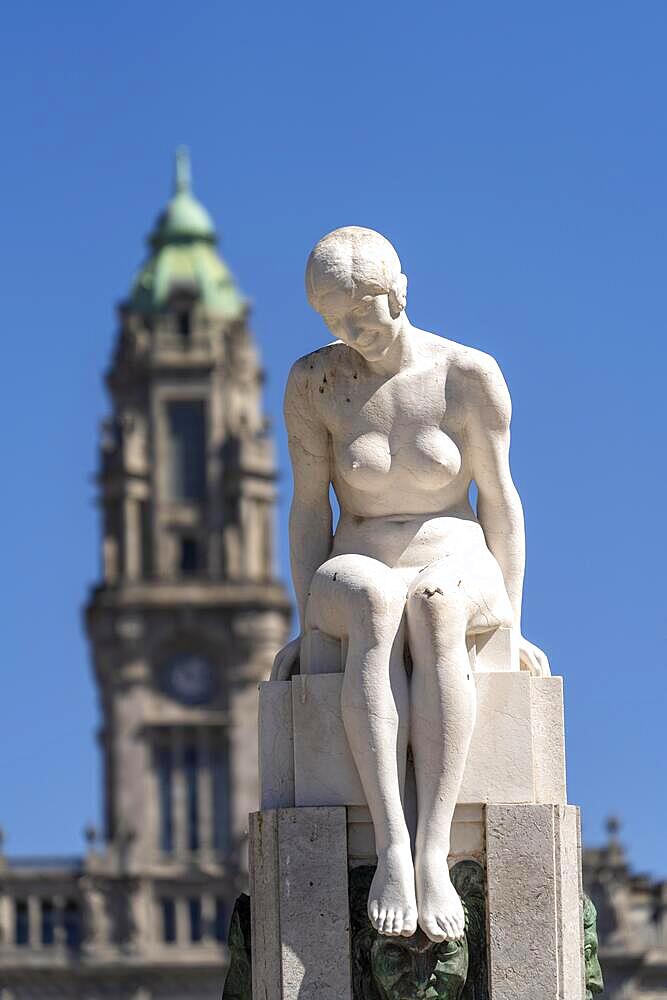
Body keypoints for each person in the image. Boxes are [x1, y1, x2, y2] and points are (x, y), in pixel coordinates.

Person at [272, 226, 549, 943]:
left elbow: (500, 502)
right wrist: (307, 623)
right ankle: (392, 844)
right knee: (373, 599)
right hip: (355, 561)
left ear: (396, 290)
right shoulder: (313, 383)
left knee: (433, 603)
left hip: (455, 557)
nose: (348, 331)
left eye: (359, 311)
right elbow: (308, 511)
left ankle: (432, 852)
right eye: (332, 318)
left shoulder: (465, 374)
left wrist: (512, 622)